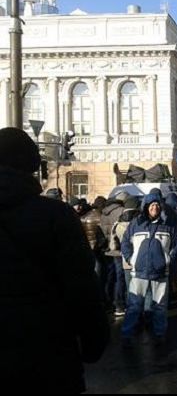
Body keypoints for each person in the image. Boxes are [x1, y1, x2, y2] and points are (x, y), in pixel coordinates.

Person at [0, 127, 109, 393]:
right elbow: (81, 285)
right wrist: (94, 339)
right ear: (33, 166)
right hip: (48, 351)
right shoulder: (56, 215)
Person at [121, 192, 177, 347]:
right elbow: (125, 242)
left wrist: (170, 258)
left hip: (161, 272)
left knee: (160, 305)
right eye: (151, 205)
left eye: (157, 205)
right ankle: (127, 334)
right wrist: (130, 259)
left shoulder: (168, 224)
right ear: (146, 207)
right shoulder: (136, 223)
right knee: (134, 306)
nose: (154, 207)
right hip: (138, 272)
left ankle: (160, 333)